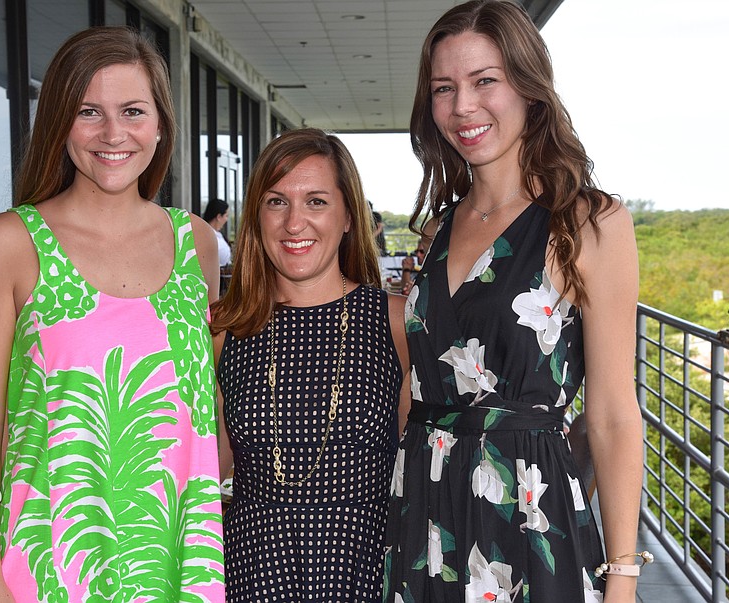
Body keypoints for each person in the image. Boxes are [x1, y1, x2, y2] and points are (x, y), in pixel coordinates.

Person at [0, 27, 225, 602]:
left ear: (160, 124)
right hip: (48, 565)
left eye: (132, 111)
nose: (113, 134)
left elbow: (204, 402)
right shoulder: (9, 243)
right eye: (88, 112)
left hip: (177, 564)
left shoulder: (194, 243)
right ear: (59, 122)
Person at [384, 2, 645, 602]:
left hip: (531, 514)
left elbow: (610, 413)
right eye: (444, 88)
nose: (462, 107)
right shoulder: (437, 231)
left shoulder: (589, 223)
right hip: (424, 509)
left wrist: (623, 577)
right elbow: (417, 385)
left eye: (485, 82)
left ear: (529, 89)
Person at [210, 128, 411, 601]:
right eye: (277, 202)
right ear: (257, 216)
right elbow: (203, 469)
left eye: (316, 201)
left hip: (365, 571)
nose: (294, 223)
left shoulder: (397, 322)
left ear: (347, 216)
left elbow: (425, 465)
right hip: (251, 573)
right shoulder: (223, 329)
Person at [204, 198, 232, 267]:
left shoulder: (218, 235)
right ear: (219, 217)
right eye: (226, 216)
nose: (227, 219)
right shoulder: (206, 237)